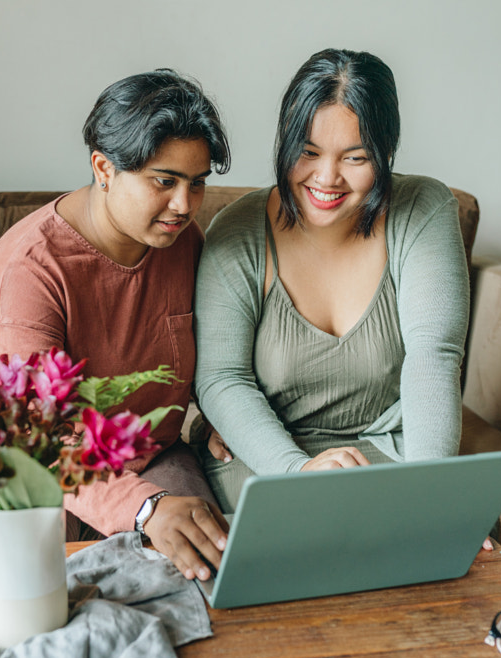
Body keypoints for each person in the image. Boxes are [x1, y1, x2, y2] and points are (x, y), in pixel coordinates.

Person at [0, 69, 231, 582]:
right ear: (103, 167)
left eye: (196, 183)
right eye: (164, 181)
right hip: (35, 478)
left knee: (212, 572)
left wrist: (217, 414)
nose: (184, 205)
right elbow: (27, 436)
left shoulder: (183, 242)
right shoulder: (28, 271)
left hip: (153, 457)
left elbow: (213, 354)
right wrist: (145, 509)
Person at [193, 49, 470, 513]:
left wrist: (432, 493)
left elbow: (433, 358)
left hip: (390, 449)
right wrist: (298, 471)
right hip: (269, 456)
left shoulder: (424, 209)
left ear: (385, 153)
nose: (326, 178)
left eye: (355, 157)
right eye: (308, 153)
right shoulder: (236, 232)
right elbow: (222, 377)